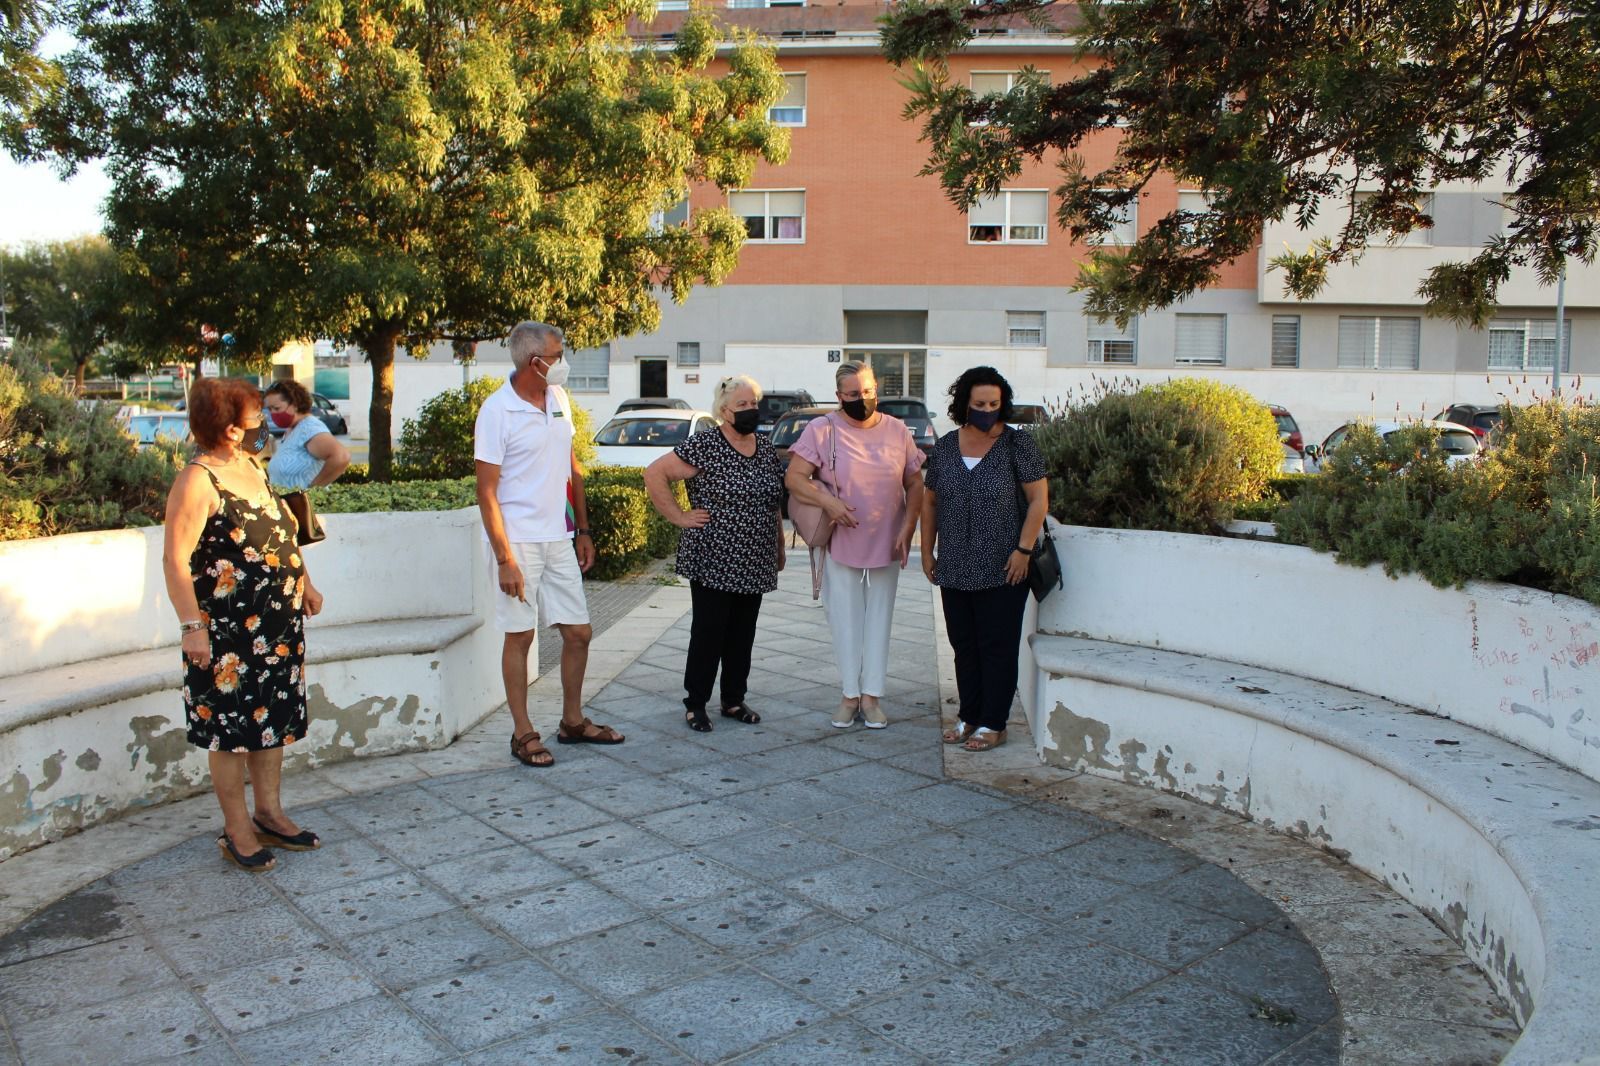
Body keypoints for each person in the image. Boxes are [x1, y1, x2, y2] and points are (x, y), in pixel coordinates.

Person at [162, 377, 325, 871]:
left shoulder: (251, 464)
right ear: (231, 428)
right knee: (230, 731)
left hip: (275, 626)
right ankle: (237, 829)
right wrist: (192, 627)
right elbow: (174, 559)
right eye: (256, 417)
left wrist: (306, 582)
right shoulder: (197, 480)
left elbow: (283, 535)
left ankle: (270, 814)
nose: (264, 424)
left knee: (270, 723)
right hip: (226, 635)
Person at [474, 321, 624, 767]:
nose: (564, 362)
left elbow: (571, 467)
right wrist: (504, 558)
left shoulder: (557, 398)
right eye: (557, 355)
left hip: (559, 538)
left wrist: (583, 528)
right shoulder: (496, 411)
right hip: (517, 542)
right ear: (533, 361)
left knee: (579, 632)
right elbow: (486, 491)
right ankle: (523, 733)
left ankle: (572, 722)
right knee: (520, 637)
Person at [785, 361, 924, 729]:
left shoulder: (896, 430)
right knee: (845, 618)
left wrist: (909, 526)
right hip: (840, 537)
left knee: (879, 618)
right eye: (852, 394)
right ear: (838, 396)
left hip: (887, 536)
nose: (861, 399)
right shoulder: (821, 429)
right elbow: (795, 479)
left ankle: (872, 696)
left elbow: (914, 482)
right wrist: (830, 504)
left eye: (866, 391)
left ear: (875, 389)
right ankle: (849, 694)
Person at [643, 375, 786, 733]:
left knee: (743, 633)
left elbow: (773, 504)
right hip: (713, 558)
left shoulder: (766, 448)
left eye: (754, 403)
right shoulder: (705, 445)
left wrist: (780, 546)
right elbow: (655, 474)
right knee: (709, 632)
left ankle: (733, 699)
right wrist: (679, 516)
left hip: (755, 559)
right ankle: (696, 704)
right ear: (724, 411)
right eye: (742, 405)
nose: (751, 410)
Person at [920, 366, 1048, 752]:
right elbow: (930, 500)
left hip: (1005, 565)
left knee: (997, 645)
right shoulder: (945, 446)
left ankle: (994, 722)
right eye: (979, 404)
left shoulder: (1017, 445)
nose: (987, 410)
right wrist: (927, 551)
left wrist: (1023, 549)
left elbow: (1039, 500)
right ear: (964, 404)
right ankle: (968, 715)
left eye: (994, 403)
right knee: (964, 645)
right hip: (955, 562)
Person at [264, 380, 351, 491]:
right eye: (270, 409)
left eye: (276, 408)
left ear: (295, 405)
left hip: (304, 506)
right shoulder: (291, 430)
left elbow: (341, 457)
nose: (273, 414)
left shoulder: (309, 428)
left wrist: (313, 490)